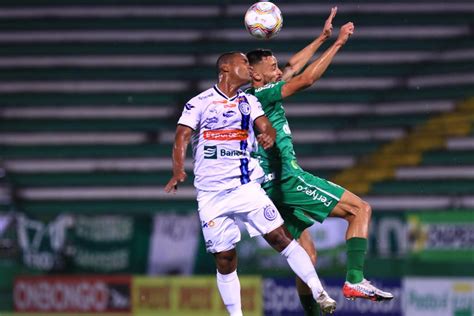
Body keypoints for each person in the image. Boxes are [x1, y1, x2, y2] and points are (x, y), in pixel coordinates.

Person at [246, 8, 394, 315]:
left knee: (307, 257)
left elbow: (292, 67)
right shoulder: (264, 95)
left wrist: (321, 37)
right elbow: (306, 78)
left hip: (267, 189)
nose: (278, 71)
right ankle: (355, 279)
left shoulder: (256, 93)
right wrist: (337, 43)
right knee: (360, 209)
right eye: (272, 68)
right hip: (286, 178)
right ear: (257, 75)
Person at [165, 51, 337, 315]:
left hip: (246, 186)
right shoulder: (199, 103)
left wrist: (267, 134)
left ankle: (320, 292)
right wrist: (178, 170)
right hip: (211, 194)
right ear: (225, 68)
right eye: (243, 62)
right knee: (225, 259)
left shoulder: (249, 101)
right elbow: (181, 136)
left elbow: (264, 123)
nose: (248, 67)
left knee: (281, 237)